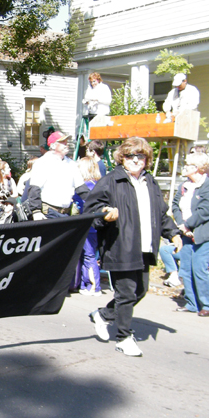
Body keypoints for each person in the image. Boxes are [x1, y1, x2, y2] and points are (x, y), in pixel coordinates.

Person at [86, 137, 183, 357]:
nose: (135, 160)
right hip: (120, 244)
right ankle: (123, 337)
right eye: (130, 156)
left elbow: (160, 212)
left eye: (140, 156)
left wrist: (173, 233)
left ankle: (102, 314)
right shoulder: (111, 180)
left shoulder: (150, 181)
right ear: (122, 157)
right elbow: (91, 211)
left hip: (145, 245)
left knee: (140, 291)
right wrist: (105, 215)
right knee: (126, 292)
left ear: (147, 159)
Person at [171, 153, 209, 316]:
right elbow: (175, 205)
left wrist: (188, 225)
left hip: (205, 236)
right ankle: (192, 303)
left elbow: (205, 211)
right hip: (187, 234)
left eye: (188, 165)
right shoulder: (184, 186)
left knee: (199, 267)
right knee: (185, 269)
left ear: (197, 168)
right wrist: (181, 225)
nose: (184, 167)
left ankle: (208, 305)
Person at [28, 131, 89, 218]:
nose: (66, 145)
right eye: (62, 142)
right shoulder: (42, 162)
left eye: (66, 142)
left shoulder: (72, 164)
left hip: (66, 213)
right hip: (48, 213)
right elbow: (34, 188)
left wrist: (95, 202)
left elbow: (81, 188)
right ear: (53, 145)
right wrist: (36, 211)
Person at [74, 156, 103, 296]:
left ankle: (94, 286)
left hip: (88, 225)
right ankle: (86, 283)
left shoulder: (86, 187)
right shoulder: (98, 184)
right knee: (88, 254)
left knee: (89, 255)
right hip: (95, 225)